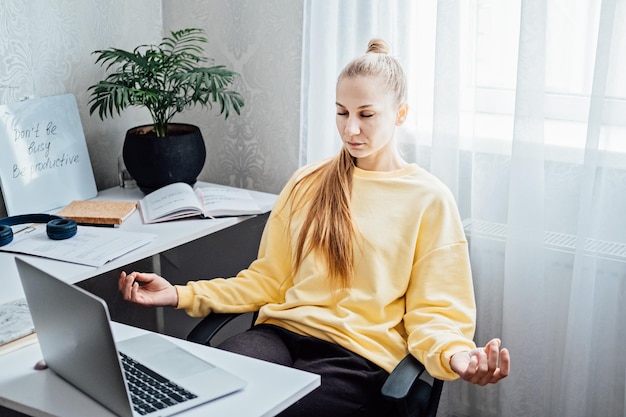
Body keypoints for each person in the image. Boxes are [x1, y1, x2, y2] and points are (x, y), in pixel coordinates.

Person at [119, 38, 510, 416]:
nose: (350, 129)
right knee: (206, 395)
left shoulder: (429, 198)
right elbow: (268, 280)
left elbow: (436, 312)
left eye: (366, 114)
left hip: (357, 358)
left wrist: (458, 356)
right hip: (277, 335)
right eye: (342, 113)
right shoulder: (308, 182)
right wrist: (178, 294)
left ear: (401, 114)